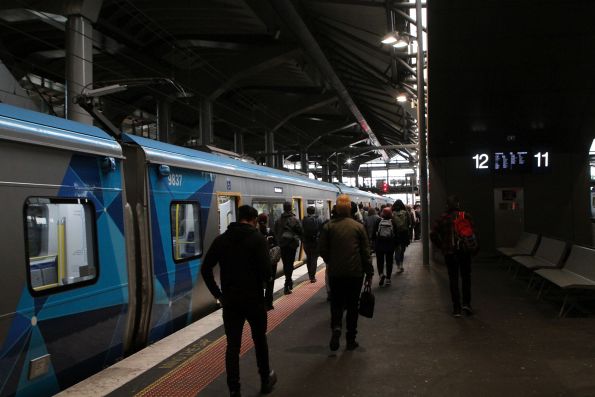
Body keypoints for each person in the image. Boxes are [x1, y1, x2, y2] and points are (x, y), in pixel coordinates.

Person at [201, 205, 277, 397]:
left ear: (238, 218)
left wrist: (218, 294)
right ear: (252, 220)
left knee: (232, 346)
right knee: (260, 340)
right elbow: (267, 273)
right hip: (254, 300)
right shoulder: (258, 239)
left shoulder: (221, 240)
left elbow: (205, 269)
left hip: (231, 301)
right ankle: (265, 380)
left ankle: (234, 389)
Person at [319, 194, 373, 351]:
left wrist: (331, 261)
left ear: (336, 208)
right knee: (352, 306)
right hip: (355, 274)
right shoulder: (358, 227)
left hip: (335, 273)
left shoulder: (328, 226)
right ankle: (351, 339)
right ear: (350, 208)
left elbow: (322, 248)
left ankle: (336, 327)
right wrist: (369, 272)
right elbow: (365, 252)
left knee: (336, 303)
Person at [430, 195, 475, 318]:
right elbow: (472, 232)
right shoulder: (465, 216)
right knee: (466, 278)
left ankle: (457, 308)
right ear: (458, 204)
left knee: (453, 279)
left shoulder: (443, 218)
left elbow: (433, 234)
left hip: (450, 253)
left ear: (447, 205)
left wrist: (442, 246)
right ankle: (467, 304)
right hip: (465, 252)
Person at [273, 202, 303, 295]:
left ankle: (288, 281)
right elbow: (301, 231)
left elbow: (275, 232)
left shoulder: (278, 221)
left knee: (286, 264)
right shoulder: (295, 220)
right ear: (291, 208)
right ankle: (287, 283)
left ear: (284, 208)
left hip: (282, 245)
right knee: (290, 264)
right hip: (292, 246)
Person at [258, 213, 278, 311]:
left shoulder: (256, 233)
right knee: (270, 283)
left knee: (259, 283)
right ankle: (269, 304)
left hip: (259, 263)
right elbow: (277, 245)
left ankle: (260, 303)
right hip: (271, 262)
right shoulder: (271, 232)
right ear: (266, 221)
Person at [374, 207, 395, 286]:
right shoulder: (392, 222)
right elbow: (395, 233)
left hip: (379, 244)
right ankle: (388, 279)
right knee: (389, 261)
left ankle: (381, 275)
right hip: (389, 244)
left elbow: (374, 233)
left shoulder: (378, 221)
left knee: (380, 261)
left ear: (382, 213)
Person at [301, 206, 323, 282]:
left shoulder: (303, 220)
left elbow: (301, 230)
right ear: (314, 211)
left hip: (306, 243)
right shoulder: (318, 219)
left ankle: (310, 274)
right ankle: (312, 277)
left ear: (307, 212)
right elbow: (322, 230)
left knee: (309, 258)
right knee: (314, 259)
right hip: (315, 242)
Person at [391, 200, 411, 274]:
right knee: (402, 250)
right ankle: (401, 265)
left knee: (397, 250)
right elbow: (410, 223)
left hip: (395, 234)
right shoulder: (406, 213)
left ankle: (398, 266)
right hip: (404, 233)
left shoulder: (392, 213)